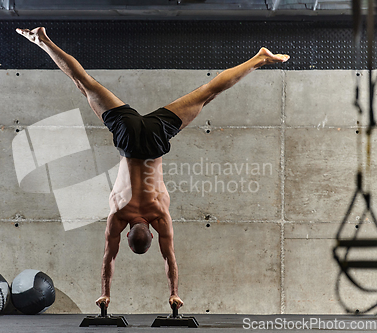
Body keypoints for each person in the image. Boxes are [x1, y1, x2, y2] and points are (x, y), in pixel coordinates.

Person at [16, 27, 289, 311]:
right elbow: (108, 259)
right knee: (83, 83)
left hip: (156, 139)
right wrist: (105, 293)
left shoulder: (160, 215)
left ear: (150, 231)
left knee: (208, 93)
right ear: (127, 232)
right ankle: (43, 40)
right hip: (129, 138)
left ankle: (259, 59)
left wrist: (174, 292)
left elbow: (169, 259)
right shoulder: (118, 214)